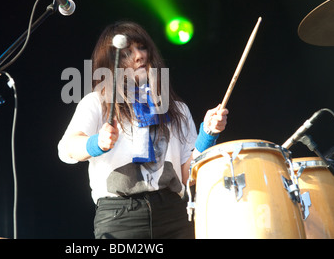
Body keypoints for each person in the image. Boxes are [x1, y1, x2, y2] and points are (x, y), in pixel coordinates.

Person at [58, 21, 228, 239]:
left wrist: (208, 135)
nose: (139, 56)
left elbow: (187, 176)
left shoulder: (177, 108)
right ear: (112, 63)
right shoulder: (96, 102)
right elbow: (67, 149)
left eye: (142, 47)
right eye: (128, 52)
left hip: (173, 213)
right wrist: (96, 143)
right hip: (120, 216)